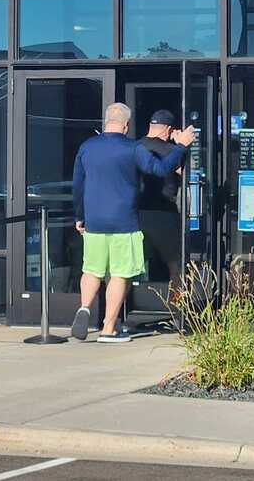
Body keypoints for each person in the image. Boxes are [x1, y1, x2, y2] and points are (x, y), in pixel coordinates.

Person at [71, 102, 194, 343]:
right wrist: (180, 146)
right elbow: (159, 169)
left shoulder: (87, 147)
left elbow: (78, 185)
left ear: (106, 121)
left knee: (92, 270)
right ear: (126, 125)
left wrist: (79, 217)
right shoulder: (132, 148)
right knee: (119, 274)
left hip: (94, 221)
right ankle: (108, 328)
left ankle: (84, 307)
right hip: (123, 221)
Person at [137, 109, 184, 286]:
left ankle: (127, 303)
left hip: (138, 212)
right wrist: (181, 145)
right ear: (168, 130)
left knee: (133, 262)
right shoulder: (172, 150)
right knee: (174, 261)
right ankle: (178, 305)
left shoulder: (136, 147)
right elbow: (189, 175)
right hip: (164, 213)